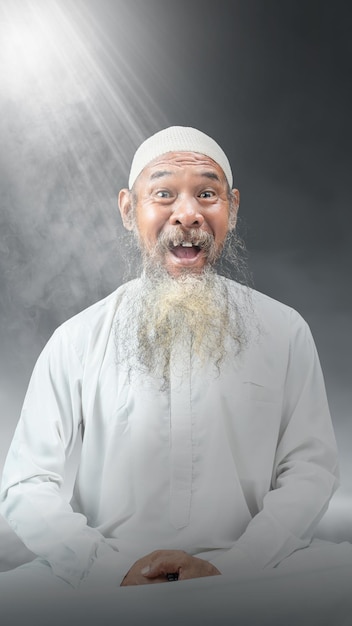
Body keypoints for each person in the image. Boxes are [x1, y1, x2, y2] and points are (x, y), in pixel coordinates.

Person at [0, 126, 344, 593]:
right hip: (107, 571)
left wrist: (237, 566)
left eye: (207, 193)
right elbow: (26, 483)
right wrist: (104, 568)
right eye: (163, 193)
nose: (188, 213)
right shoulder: (76, 340)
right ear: (128, 209)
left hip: (251, 570)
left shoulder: (285, 331)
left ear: (233, 209)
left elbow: (311, 469)